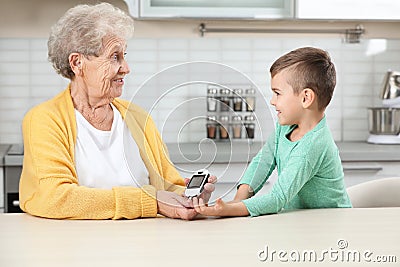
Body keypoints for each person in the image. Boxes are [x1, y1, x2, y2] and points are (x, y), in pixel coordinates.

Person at [19, 3, 214, 220]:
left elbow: (168, 188)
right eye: (114, 57)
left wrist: (188, 199)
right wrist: (150, 202)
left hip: (145, 245)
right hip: (76, 247)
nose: (126, 67)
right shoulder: (44, 120)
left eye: (124, 55)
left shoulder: (138, 118)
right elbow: (55, 198)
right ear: (77, 63)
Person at [193, 47, 352, 217]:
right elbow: (263, 161)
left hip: (330, 224)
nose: (272, 101)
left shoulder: (313, 145)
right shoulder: (285, 126)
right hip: (303, 221)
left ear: (306, 98)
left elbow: (277, 198)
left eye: (277, 93)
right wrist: (239, 199)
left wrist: (229, 210)